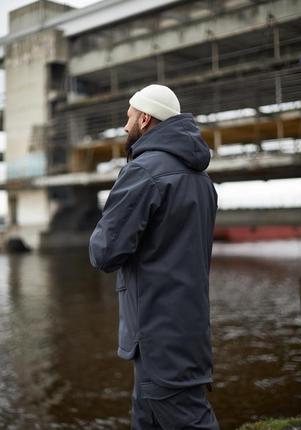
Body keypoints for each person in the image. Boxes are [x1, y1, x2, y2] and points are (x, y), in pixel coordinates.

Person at [89, 84, 219, 429]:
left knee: (186, 419)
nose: (124, 125)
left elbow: (104, 253)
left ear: (145, 119)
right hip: (185, 328)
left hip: (157, 333)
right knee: (147, 419)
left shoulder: (143, 172)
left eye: (128, 116)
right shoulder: (202, 179)